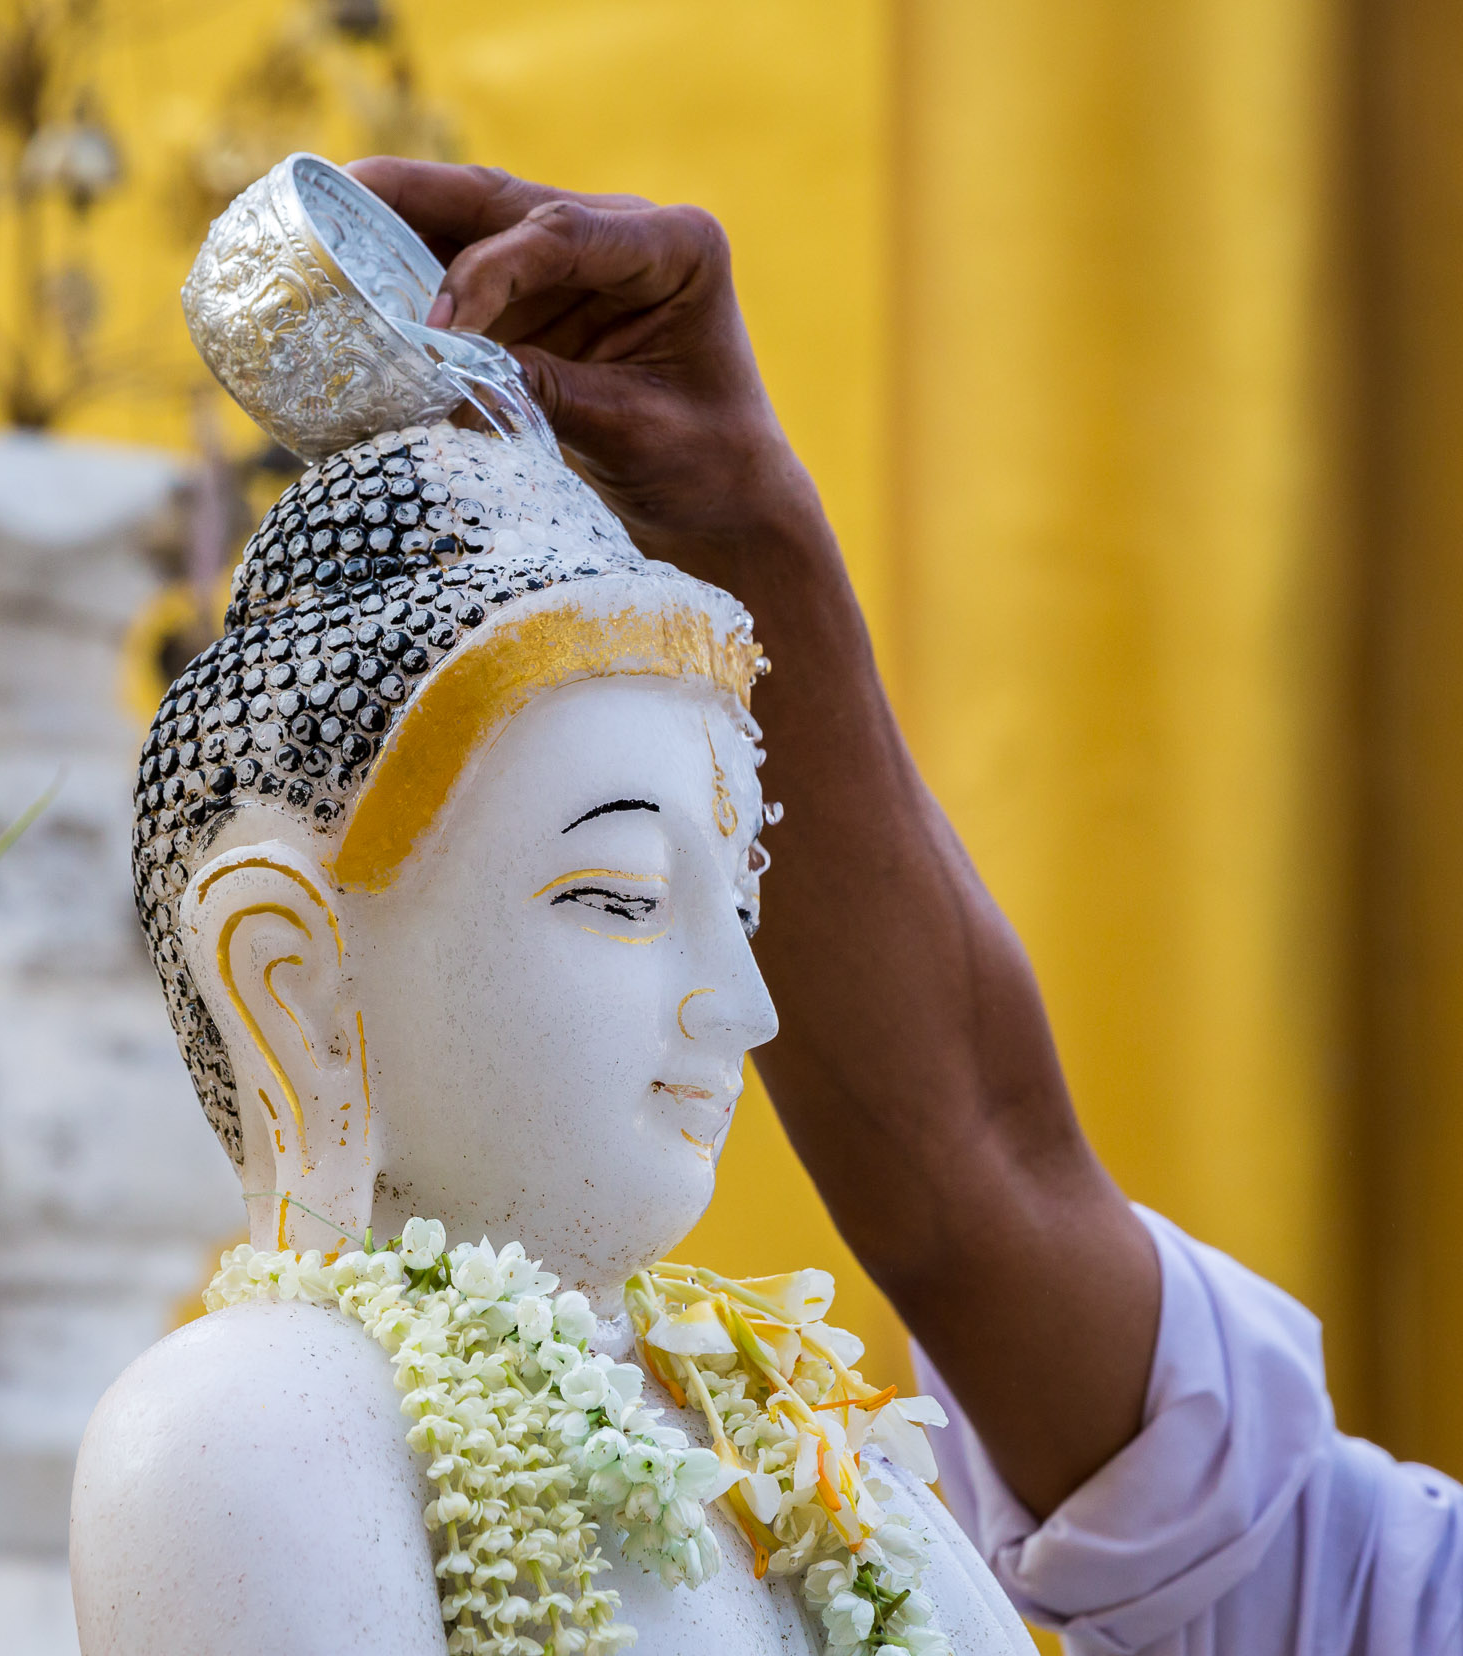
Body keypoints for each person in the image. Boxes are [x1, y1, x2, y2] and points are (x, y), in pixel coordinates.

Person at [336, 156, 1463, 1655]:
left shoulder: (843, 1508)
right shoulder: (260, 1437)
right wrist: (734, 520)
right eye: (616, 894)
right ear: (288, 964)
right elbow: (977, 1171)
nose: (738, 1007)